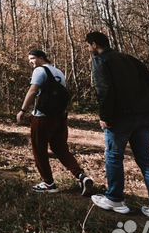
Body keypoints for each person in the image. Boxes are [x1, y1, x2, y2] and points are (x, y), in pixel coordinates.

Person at [86, 31, 149, 226]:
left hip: (121, 117)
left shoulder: (101, 61)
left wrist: (105, 117)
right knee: (146, 161)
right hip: (144, 114)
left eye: (88, 46)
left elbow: (105, 90)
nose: (89, 49)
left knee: (113, 155)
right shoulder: (128, 58)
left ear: (94, 45)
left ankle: (115, 199)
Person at [16, 49, 94, 195]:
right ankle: (81, 176)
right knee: (61, 149)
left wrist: (22, 110)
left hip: (42, 117)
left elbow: (33, 91)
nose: (31, 62)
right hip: (59, 117)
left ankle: (49, 183)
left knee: (39, 150)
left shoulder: (40, 71)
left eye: (32, 58)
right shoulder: (58, 72)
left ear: (41, 58)